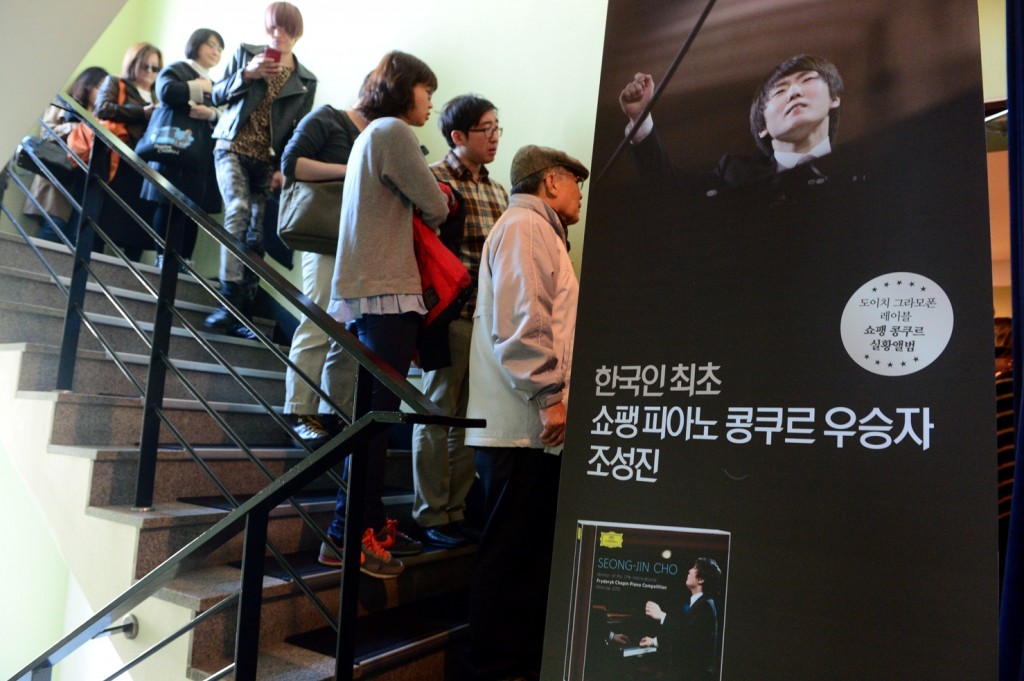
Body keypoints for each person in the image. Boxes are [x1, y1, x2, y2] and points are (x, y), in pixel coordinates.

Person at [317, 50, 451, 578]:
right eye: (427, 90)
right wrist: (438, 196)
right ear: (404, 89)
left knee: (375, 416)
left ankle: (364, 526)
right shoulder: (393, 131)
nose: (431, 102)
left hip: (369, 290)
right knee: (375, 421)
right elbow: (436, 205)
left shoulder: (371, 134)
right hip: (387, 291)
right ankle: (346, 535)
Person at [462, 144, 588, 679]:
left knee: (522, 556)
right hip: (522, 427)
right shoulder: (526, 227)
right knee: (512, 558)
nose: (581, 195)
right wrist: (549, 396)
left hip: (526, 429)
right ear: (552, 181)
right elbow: (522, 320)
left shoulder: (534, 231)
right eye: (576, 183)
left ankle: (505, 664)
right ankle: (493, 669)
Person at [411, 94, 509, 549]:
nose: (494, 137)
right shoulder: (433, 181)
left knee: (471, 419)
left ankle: (455, 512)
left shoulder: (498, 190)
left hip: (486, 322)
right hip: (448, 317)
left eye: (496, 128)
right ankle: (431, 513)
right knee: (434, 415)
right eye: (485, 129)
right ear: (458, 136)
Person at [205, 2, 317, 339]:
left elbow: (298, 130)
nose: (278, 34)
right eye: (272, 28)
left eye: (285, 28)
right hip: (231, 148)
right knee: (237, 210)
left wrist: (285, 167)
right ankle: (228, 299)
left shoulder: (305, 81)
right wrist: (246, 74)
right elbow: (217, 96)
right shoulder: (245, 54)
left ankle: (242, 312)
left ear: (297, 32)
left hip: (266, 161)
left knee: (256, 234)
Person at [620, 54, 843, 191]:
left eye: (807, 80)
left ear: (834, 98)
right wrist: (640, 118)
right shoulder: (735, 174)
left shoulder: (863, 161)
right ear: (763, 126)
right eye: (779, 91)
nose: (794, 92)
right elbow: (669, 191)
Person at [279, 100, 368, 443]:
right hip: (324, 237)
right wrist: (348, 170)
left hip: (361, 241)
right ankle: (299, 408)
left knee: (349, 331)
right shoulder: (329, 118)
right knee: (318, 322)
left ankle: (334, 413)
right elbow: (292, 163)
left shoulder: (380, 133)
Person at [140, 28, 225, 272]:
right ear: (196, 45)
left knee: (193, 209)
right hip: (172, 149)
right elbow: (165, 92)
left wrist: (211, 112)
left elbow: (228, 114)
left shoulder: (216, 83)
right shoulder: (178, 69)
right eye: (211, 44)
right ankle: (162, 257)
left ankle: (185, 262)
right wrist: (200, 88)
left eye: (219, 48)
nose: (215, 51)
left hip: (200, 155)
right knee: (166, 203)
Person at [93, 42, 163, 261]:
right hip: (117, 159)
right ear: (133, 64)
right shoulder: (116, 82)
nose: (150, 72)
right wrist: (141, 112)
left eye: (156, 68)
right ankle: (92, 262)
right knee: (105, 217)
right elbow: (102, 108)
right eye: (146, 66)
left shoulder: (157, 95)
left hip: (144, 165)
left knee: (138, 224)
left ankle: (131, 272)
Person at [24, 66, 108, 244]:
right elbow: (46, 133)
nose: (103, 92)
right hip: (57, 179)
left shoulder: (102, 118)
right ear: (87, 85)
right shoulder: (63, 102)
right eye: (99, 86)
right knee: (53, 228)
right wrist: (75, 128)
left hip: (81, 184)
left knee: (72, 238)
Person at [638, 557, 722, 681]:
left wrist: (661, 615)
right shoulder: (701, 604)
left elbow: (685, 636)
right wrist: (654, 641)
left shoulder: (705, 606)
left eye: (694, 568)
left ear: (701, 579)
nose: (689, 570)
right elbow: (685, 632)